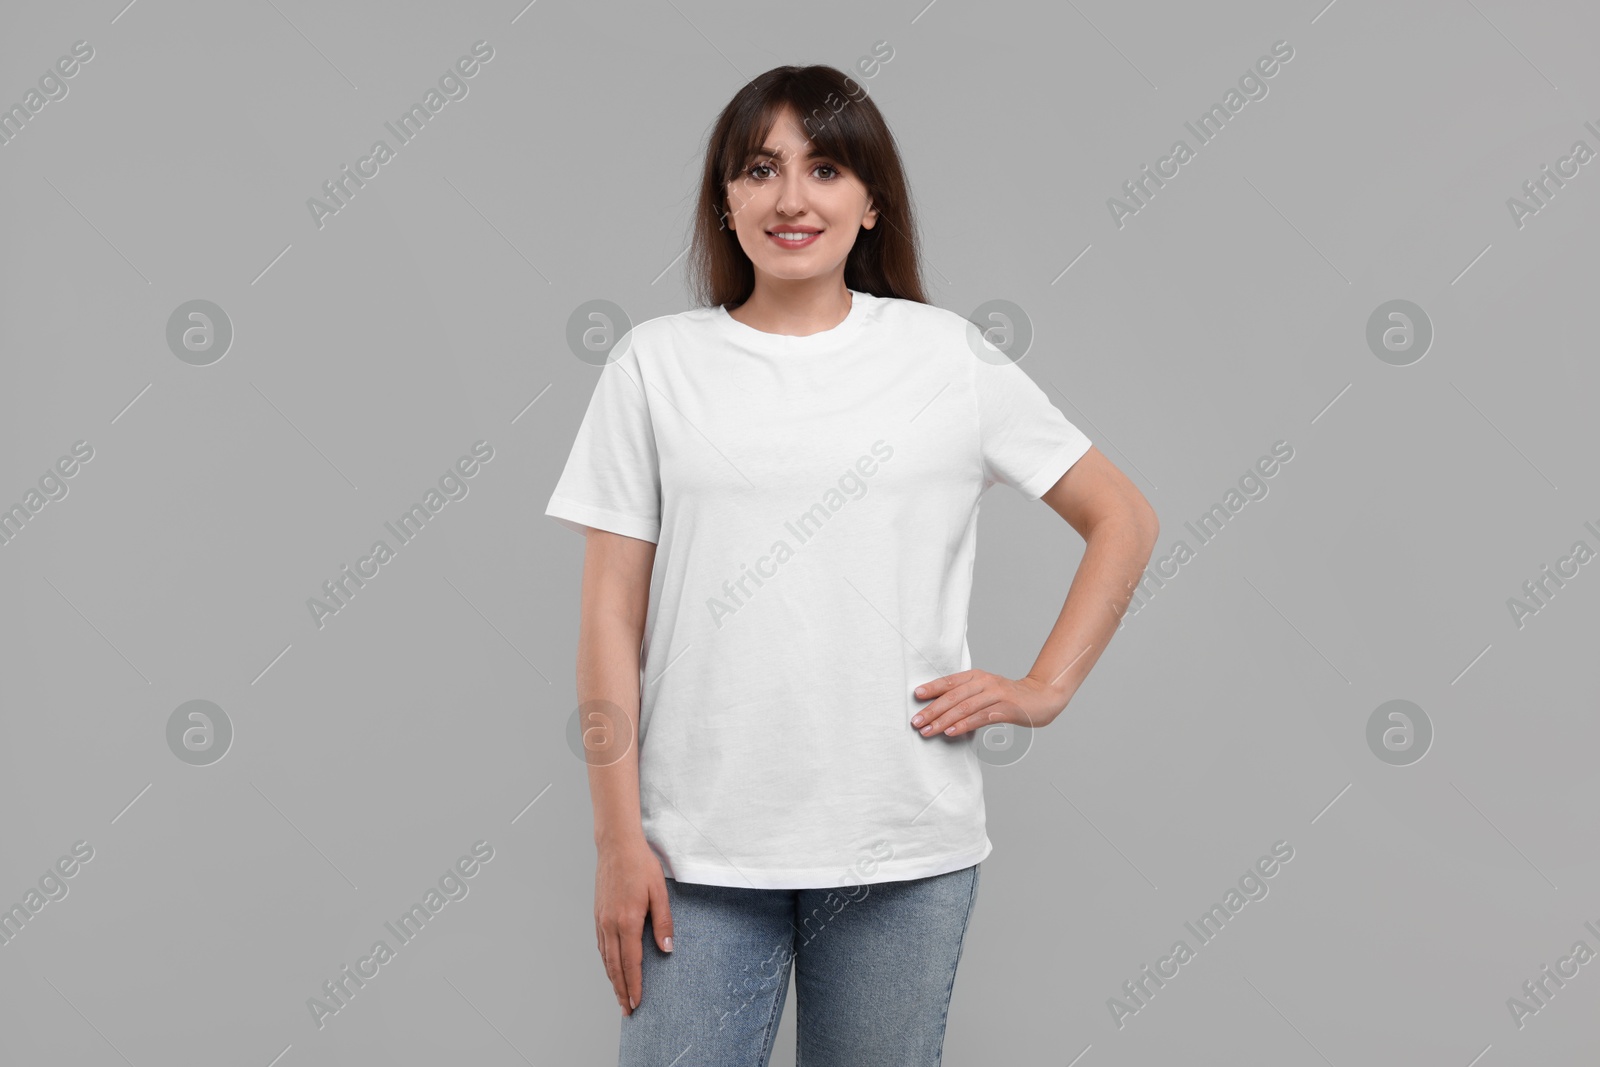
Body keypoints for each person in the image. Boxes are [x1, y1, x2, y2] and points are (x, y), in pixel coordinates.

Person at [545, 64, 1159, 1067]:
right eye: (760, 169)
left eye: (824, 168)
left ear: (871, 202)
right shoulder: (654, 365)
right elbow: (608, 619)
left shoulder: (947, 356)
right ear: (725, 201)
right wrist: (619, 841)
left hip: (902, 844)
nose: (792, 198)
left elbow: (1122, 516)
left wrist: (1044, 687)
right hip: (695, 852)